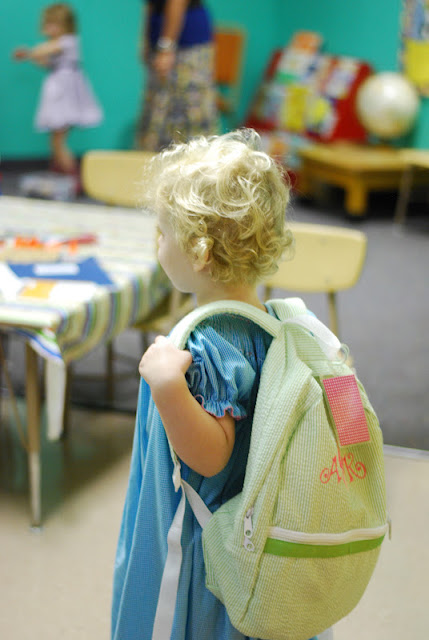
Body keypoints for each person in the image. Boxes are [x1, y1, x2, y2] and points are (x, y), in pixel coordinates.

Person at [111, 129, 331, 640]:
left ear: (199, 251)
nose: (157, 243)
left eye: (162, 232)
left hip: (209, 558)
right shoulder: (269, 321)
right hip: (256, 538)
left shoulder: (212, 342)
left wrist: (168, 385)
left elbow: (211, 456)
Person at [12, 3, 103, 176]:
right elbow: (47, 63)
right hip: (56, 91)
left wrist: (29, 52)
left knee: (58, 141)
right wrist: (32, 57)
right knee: (55, 140)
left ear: (65, 25)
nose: (49, 28)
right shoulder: (55, 44)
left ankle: (73, 175)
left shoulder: (68, 41)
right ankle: (60, 171)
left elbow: (44, 50)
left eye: (53, 24)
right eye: (47, 23)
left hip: (65, 95)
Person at [136, 0, 218, 151]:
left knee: (187, 121)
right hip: (161, 42)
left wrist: (166, 47)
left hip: (185, 47)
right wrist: (147, 40)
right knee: (157, 118)